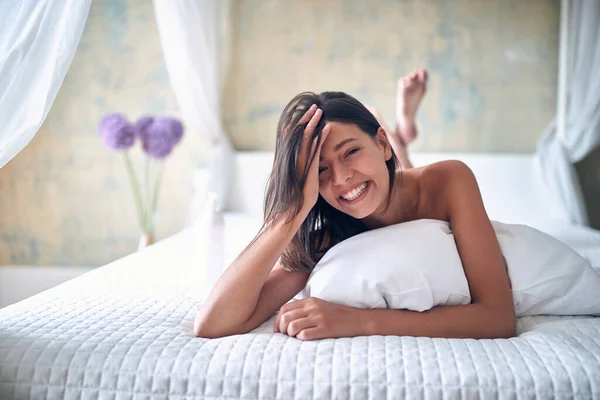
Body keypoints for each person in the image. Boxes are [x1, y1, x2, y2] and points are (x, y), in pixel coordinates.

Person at [194, 69, 516, 340]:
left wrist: (360, 321)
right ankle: (400, 136)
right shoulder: (330, 236)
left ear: (380, 143)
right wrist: (289, 215)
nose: (341, 178)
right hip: (385, 172)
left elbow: (498, 317)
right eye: (321, 169)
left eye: (350, 152)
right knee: (379, 182)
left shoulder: (451, 181)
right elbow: (212, 323)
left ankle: (402, 133)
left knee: (401, 175)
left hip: (409, 180)